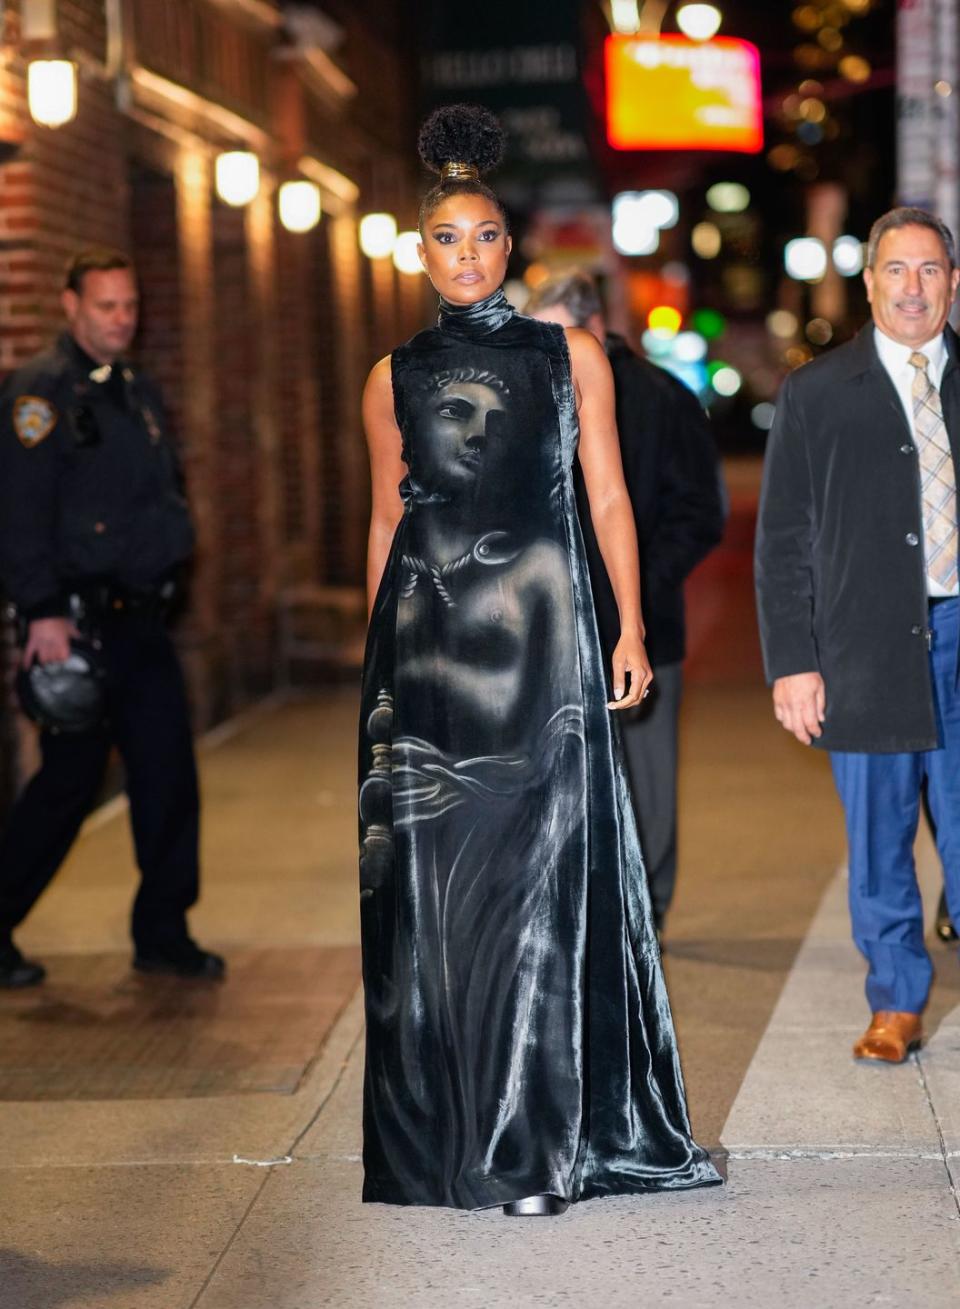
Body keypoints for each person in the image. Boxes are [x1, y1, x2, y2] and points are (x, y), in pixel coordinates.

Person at [358, 103, 720, 1215]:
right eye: (443, 238)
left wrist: (631, 627)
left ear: (509, 246)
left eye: (482, 236)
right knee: (434, 904)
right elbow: (386, 521)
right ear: (418, 252)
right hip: (424, 663)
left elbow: (607, 494)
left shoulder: (570, 357)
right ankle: (451, 1140)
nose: (464, 255)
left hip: (546, 649)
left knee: (537, 891)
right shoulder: (392, 375)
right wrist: (369, 666)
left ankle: (536, 1143)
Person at [755, 206, 960, 1064]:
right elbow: (783, 538)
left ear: (953, 282)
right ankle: (896, 1001)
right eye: (897, 270)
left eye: (930, 269)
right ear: (869, 282)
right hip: (863, 648)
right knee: (878, 839)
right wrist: (794, 662)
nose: (913, 287)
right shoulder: (816, 392)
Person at [0, 248, 224, 987]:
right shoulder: (40, 394)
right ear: (70, 305)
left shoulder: (136, 389)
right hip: (75, 622)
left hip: (141, 621)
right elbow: (21, 513)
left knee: (167, 777)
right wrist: (38, 612)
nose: (122, 319)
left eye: (130, 305)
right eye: (107, 306)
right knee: (67, 784)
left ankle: (163, 930)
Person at [526, 271, 724, 933]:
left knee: (647, 781)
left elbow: (699, 513)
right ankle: (592, 918)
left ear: (593, 327)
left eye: (555, 331)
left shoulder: (661, 397)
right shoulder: (531, 390)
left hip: (645, 626)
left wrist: (630, 591)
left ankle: (650, 914)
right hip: (552, 626)